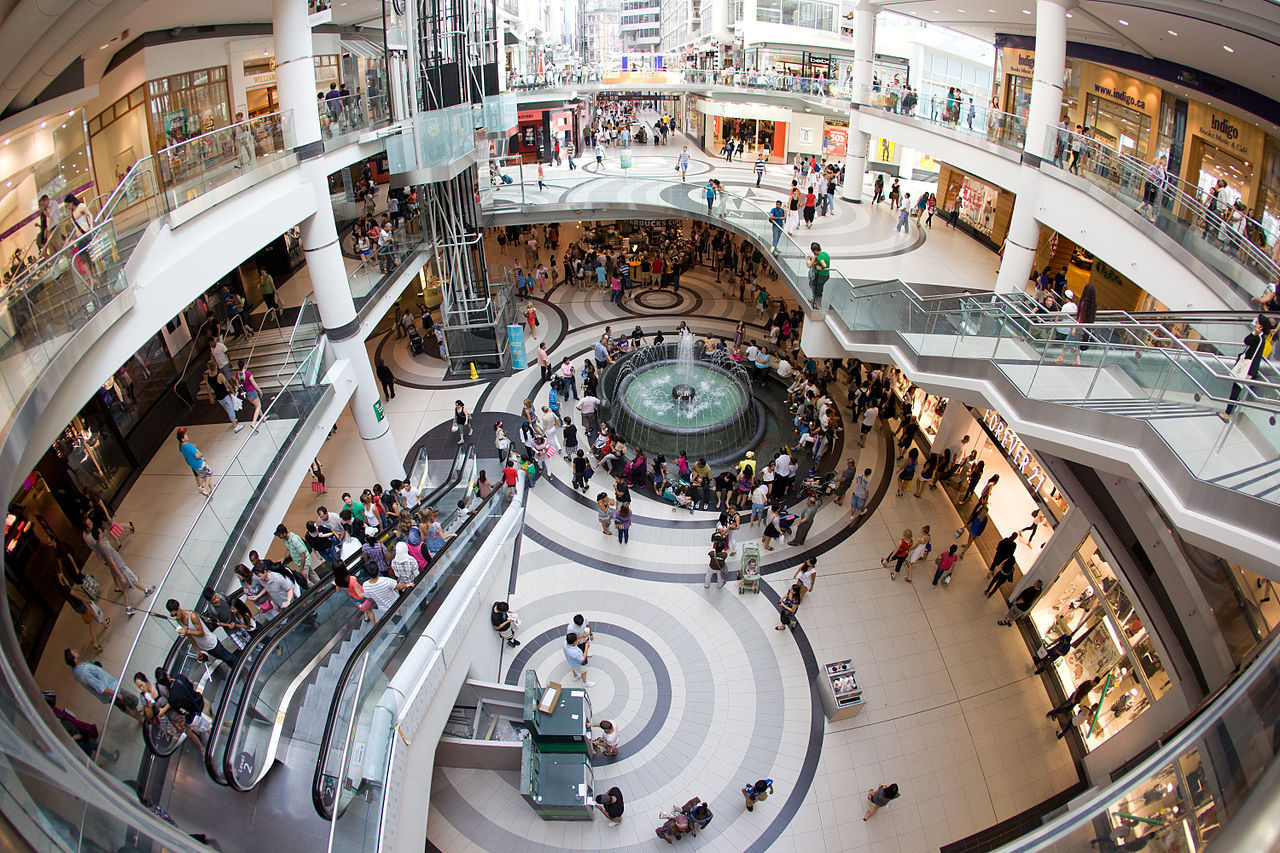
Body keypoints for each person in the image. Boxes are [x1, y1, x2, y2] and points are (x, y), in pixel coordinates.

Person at [1223, 315, 1274, 419]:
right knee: (1236, 390)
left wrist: (1254, 332)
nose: (1255, 323)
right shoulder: (1261, 339)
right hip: (1248, 369)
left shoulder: (1258, 338)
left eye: (1257, 322)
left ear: (1261, 326)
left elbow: (1247, 340)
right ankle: (1228, 413)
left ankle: (1227, 414)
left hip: (1246, 369)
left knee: (1236, 391)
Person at [168, 598, 238, 668]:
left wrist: (187, 631)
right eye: (173, 616)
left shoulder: (192, 616)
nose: (175, 617)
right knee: (225, 659)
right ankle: (236, 670)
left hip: (212, 643)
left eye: (175, 614)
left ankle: (241, 669)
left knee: (228, 657)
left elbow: (201, 633)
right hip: (205, 647)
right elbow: (190, 636)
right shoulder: (179, 620)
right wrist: (196, 649)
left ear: (179, 608)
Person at [65, 649, 137, 716]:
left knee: (123, 706)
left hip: (110, 690)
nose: (75, 651)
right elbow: (100, 688)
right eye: (73, 652)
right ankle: (139, 716)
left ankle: (136, 716)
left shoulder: (77, 668)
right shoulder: (83, 673)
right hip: (111, 690)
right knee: (131, 699)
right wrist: (116, 694)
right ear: (75, 660)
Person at [806, 242, 829, 308]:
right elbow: (817, 262)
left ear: (815, 251)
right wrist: (812, 259)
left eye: (813, 251)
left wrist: (821, 267)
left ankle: (818, 304)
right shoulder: (825, 254)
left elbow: (823, 264)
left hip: (822, 275)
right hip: (826, 275)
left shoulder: (819, 257)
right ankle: (815, 301)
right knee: (817, 288)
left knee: (818, 289)